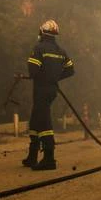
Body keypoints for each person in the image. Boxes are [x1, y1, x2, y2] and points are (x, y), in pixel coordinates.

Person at [21, 20, 75, 171]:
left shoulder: (39, 48)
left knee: (44, 122)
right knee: (35, 119)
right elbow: (70, 70)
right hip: (52, 90)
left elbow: (33, 71)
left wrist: (44, 77)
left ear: (42, 33)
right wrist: (55, 77)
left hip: (41, 90)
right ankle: (32, 156)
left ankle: (49, 158)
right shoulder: (61, 51)